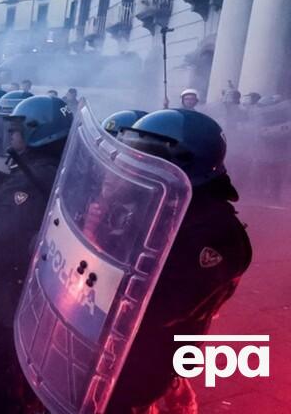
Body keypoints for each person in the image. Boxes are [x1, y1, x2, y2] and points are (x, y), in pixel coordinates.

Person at [110, 110, 252, 412]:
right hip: (114, 347)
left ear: (185, 163)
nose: (137, 165)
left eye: (148, 157)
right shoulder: (160, 199)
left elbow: (162, 307)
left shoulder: (215, 230)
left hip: (146, 359)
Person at [0, 96, 72, 407]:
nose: (9, 137)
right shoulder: (40, 166)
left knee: (1, 359)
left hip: (15, 284)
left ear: (37, 132)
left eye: (16, 131)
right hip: (26, 280)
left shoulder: (39, 173)